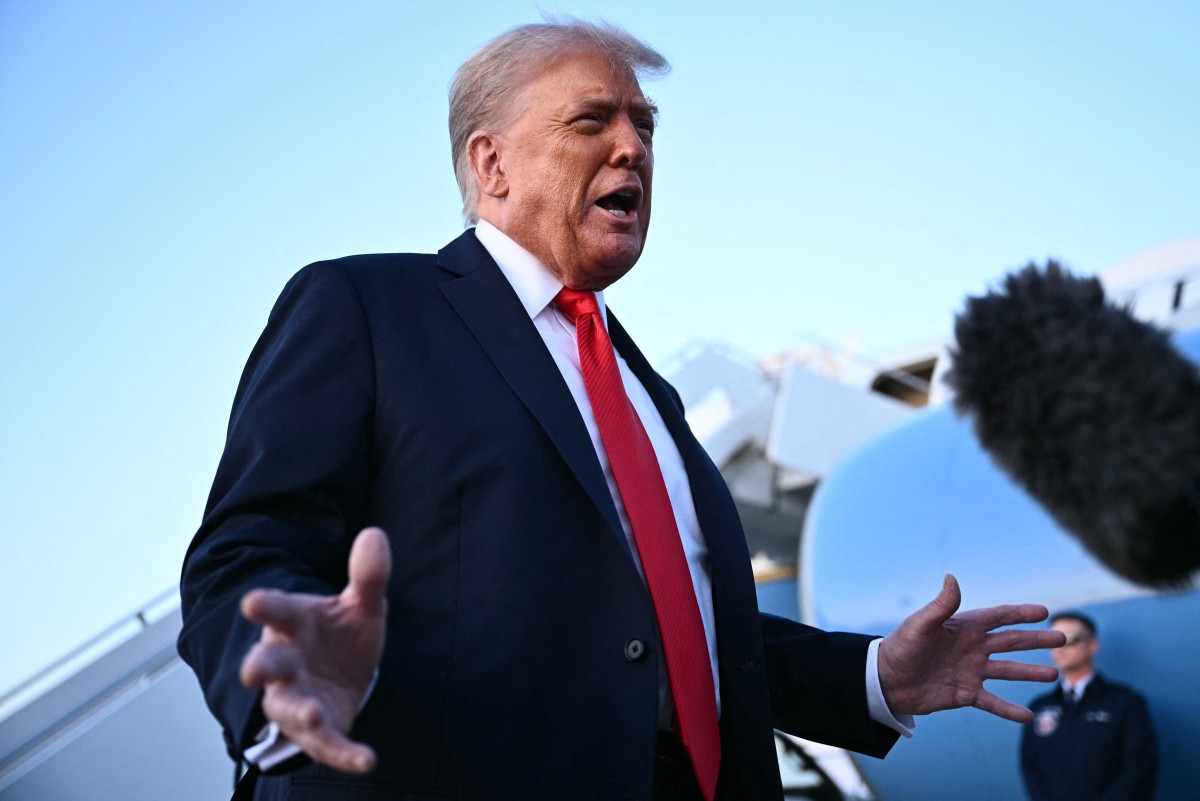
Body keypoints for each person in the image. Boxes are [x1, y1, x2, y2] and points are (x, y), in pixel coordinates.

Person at [179, 19, 1064, 801]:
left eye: (644, 125)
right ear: (491, 163)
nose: (634, 146)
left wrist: (871, 674)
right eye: (591, 120)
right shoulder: (366, 307)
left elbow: (671, 628)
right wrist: (278, 680)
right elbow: (245, 550)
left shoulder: (644, 386)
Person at [1020, 612, 1157, 801]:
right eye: (1052, 641)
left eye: (1069, 639)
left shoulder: (1125, 703)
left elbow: (1141, 768)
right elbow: (1031, 769)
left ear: (1092, 645)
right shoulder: (1038, 707)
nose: (1059, 648)